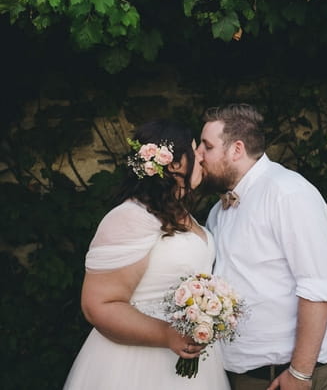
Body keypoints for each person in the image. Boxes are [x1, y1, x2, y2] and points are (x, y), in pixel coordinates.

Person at [63, 120, 230, 390]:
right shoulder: (129, 218)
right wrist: (168, 335)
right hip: (135, 365)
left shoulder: (183, 213)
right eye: (193, 149)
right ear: (174, 163)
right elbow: (98, 305)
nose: (201, 155)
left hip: (194, 363)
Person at [200, 103, 327, 390]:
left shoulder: (288, 193)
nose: (198, 156)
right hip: (240, 372)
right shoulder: (219, 209)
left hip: (284, 375)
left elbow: (318, 286)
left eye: (207, 146)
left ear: (236, 149)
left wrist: (300, 373)